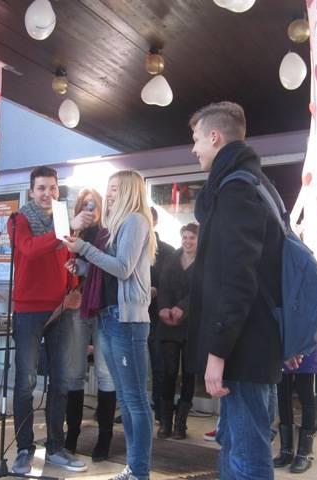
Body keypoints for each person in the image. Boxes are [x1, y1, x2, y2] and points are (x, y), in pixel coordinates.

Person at [186, 101, 290, 480]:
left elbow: (237, 279)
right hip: (253, 343)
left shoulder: (236, 191)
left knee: (246, 458)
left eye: (197, 139)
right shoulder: (258, 185)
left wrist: (217, 351)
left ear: (215, 137)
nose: (194, 149)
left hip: (243, 348)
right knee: (235, 447)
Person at [64, 170, 157, 480]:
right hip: (108, 315)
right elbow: (107, 272)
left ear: (130, 190)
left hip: (126, 319)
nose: (110, 194)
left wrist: (84, 249)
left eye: (115, 188)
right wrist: (82, 266)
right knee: (127, 400)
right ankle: (134, 468)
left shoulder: (135, 221)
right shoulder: (116, 225)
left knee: (135, 401)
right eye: (109, 188)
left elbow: (123, 268)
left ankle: (139, 471)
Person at [8, 166, 87, 474]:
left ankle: (55, 447)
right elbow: (29, 251)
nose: (47, 193)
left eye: (52, 188)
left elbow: (68, 258)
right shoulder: (19, 219)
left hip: (62, 307)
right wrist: (62, 231)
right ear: (31, 192)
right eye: (41, 188)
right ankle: (24, 449)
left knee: (61, 381)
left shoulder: (64, 219)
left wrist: (75, 286)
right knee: (25, 383)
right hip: (28, 309)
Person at [63, 188, 117, 462]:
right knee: (74, 372)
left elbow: (113, 268)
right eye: (85, 204)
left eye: (94, 204)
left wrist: (84, 267)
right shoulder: (71, 233)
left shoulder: (109, 234)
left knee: (106, 374)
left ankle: (104, 438)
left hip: (103, 307)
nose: (90, 209)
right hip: (76, 307)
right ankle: (72, 435)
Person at [274, 261, 317, 474]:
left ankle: (305, 452)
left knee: (307, 395)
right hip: (286, 337)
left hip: (308, 340)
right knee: (283, 393)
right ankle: (286, 449)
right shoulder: (285, 261)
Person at [156, 222, 198, 440]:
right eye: (185, 237)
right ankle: (165, 422)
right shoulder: (172, 258)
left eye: (192, 238)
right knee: (169, 372)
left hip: (193, 326)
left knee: (189, 374)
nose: (188, 242)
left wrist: (183, 307)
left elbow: (202, 291)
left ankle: (181, 423)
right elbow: (163, 286)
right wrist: (163, 308)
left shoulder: (204, 262)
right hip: (170, 325)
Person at [148, 207, 175, 425]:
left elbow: (171, 283)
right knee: (135, 366)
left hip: (158, 315)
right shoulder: (131, 246)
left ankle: (160, 409)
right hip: (133, 313)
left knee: (159, 364)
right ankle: (136, 407)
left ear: (155, 222)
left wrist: (157, 289)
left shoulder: (167, 251)